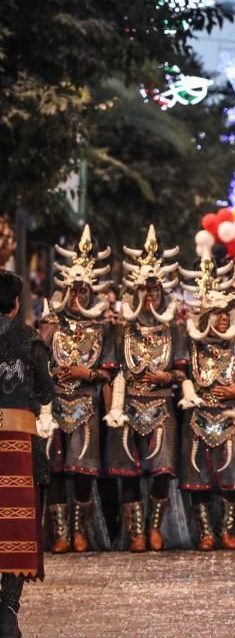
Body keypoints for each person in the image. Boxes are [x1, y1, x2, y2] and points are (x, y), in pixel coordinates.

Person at [104, 226, 185, 553]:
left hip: (162, 405)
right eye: (144, 290)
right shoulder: (122, 329)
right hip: (128, 405)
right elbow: (111, 371)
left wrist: (164, 379)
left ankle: (154, 528)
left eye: (154, 290)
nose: (150, 296)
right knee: (130, 472)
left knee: (162, 471)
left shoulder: (174, 327)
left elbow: (182, 371)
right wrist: (113, 410)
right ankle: (136, 532)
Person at [36, 226, 115, 554]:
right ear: (66, 289)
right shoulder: (51, 323)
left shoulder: (102, 326)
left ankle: (80, 530)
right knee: (53, 468)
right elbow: (36, 361)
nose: (79, 294)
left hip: (87, 403)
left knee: (82, 470)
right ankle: (60, 532)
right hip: (53, 404)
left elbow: (111, 371)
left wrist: (88, 372)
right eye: (74, 288)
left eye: (84, 289)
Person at [176, 249, 235, 550]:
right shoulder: (191, 343)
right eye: (217, 314)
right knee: (197, 477)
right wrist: (189, 391)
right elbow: (178, 373)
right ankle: (205, 532)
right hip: (197, 417)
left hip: (231, 418)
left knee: (232, 477)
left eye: (227, 314)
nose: (223, 320)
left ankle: (227, 529)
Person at [0, 269, 55, 635]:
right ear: (16, 303)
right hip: (19, 442)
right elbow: (46, 393)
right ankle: (7, 609)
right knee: (17, 526)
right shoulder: (31, 339)